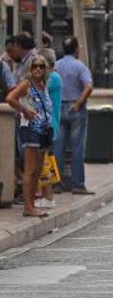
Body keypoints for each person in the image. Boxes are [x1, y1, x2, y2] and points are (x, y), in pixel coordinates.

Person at [6, 54, 54, 217]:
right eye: (35, 66)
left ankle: (32, 204)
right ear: (30, 69)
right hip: (30, 130)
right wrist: (24, 110)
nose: (38, 69)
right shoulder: (26, 84)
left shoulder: (43, 84)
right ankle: (28, 207)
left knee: (38, 170)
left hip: (43, 131)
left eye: (41, 66)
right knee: (30, 169)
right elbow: (10, 98)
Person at [54, 37, 94, 195]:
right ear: (76, 49)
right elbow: (89, 86)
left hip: (59, 108)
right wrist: (78, 103)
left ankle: (56, 183)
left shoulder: (56, 66)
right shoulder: (80, 66)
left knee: (58, 148)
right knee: (77, 148)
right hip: (76, 109)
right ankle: (77, 184)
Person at [34, 49, 62, 207]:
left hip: (49, 124)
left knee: (45, 161)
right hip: (46, 124)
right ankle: (44, 195)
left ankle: (48, 196)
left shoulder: (54, 78)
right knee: (42, 160)